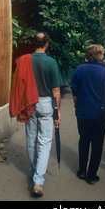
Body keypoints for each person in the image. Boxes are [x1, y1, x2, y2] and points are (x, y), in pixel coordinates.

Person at [9, 31, 63, 197]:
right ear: (46, 44)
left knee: (31, 140)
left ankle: (34, 172)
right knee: (45, 141)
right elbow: (55, 90)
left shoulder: (25, 60)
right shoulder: (51, 62)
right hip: (46, 104)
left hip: (29, 102)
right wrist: (57, 110)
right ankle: (38, 180)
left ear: (34, 43)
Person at [71, 44, 105, 185]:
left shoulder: (80, 69)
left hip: (83, 113)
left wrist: (76, 105)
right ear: (100, 55)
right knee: (97, 144)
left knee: (83, 141)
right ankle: (92, 175)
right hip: (100, 114)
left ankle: (82, 170)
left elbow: (75, 92)